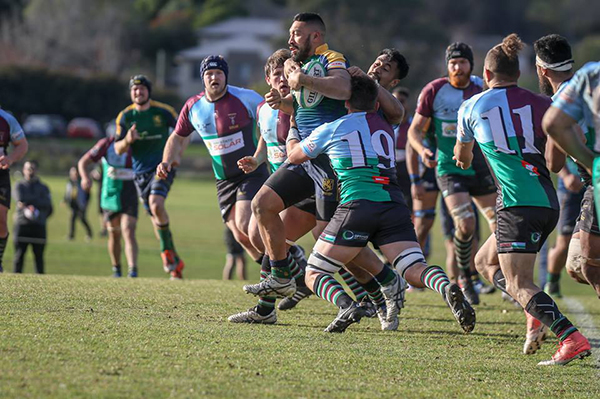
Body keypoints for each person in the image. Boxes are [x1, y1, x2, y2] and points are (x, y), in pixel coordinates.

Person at [244, 15, 406, 322]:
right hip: (306, 160)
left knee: (335, 239)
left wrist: (302, 80)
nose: (290, 39)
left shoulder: (333, 59)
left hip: (328, 163)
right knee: (262, 207)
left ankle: (384, 282)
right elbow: (309, 105)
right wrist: (287, 100)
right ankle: (280, 277)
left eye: (297, 34)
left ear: (315, 36)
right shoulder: (302, 64)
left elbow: (343, 90)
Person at [287, 74, 475, 333]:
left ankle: (345, 305)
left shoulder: (332, 128)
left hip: (357, 205)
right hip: (393, 204)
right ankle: (446, 286)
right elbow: (396, 112)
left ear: (346, 103)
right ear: (376, 104)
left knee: (314, 272)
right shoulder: (387, 125)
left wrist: (292, 128)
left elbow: (294, 156)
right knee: (413, 269)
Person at [456, 33, 591, 365]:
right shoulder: (544, 103)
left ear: (486, 75)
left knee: (519, 282)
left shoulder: (471, 106)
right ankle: (535, 310)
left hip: (516, 204)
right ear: (520, 73)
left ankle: (570, 338)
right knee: (484, 263)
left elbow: (462, 156)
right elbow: (562, 153)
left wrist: (466, 155)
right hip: (546, 202)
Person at [158, 56, 268, 280]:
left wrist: (263, 154)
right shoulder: (193, 107)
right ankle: (281, 268)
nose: (214, 77)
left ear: (226, 76)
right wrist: (166, 161)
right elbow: (176, 138)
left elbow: (271, 119)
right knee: (240, 236)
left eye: (219, 73)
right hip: (223, 180)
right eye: (209, 74)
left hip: (251, 173)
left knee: (244, 223)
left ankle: (281, 268)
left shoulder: (245, 97)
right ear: (203, 78)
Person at [408, 42, 497, 305]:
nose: (457, 67)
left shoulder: (483, 87)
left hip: (480, 166)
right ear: (447, 66)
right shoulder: (434, 91)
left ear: (471, 65)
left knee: (499, 225)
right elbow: (415, 130)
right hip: (449, 168)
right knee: (466, 224)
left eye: (462, 62)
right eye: (453, 62)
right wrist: (422, 149)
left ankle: (500, 276)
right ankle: (465, 278)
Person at [114, 75, 186, 279]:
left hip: (162, 167)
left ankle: (165, 253)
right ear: (131, 93)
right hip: (139, 175)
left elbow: (185, 130)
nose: (138, 92)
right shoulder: (125, 117)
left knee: (156, 205)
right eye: (134, 90)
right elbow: (117, 148)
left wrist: (177, 155)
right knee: (156, 218)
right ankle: (174, 262)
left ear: (148, 91)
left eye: (142, 89)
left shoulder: (163, 112)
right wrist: (128, 139)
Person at [533, 34, 584, 298]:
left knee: (579, 263)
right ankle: (552, 283)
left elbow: (553, 163)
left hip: (592, 180)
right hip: (586, 182)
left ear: (542, 69)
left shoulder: (559, 104)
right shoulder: (586, 87)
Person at [79, 134, 139, 277]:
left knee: (128, 229)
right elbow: (83, 162)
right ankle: (116, 269)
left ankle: (133, 271)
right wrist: (85, 178)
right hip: (110, 193)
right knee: (114, 233)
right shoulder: (106, 144)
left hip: (129, 191)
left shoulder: (137, 143)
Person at [0, 108, 28, 272]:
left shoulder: (7, 119)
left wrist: (10, 158)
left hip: (1, 174)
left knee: (1, 219)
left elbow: (23, 145)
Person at [13, 161, 52, 274]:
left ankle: (41, 281)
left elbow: (47, 205)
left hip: (39, 225)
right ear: (23, 170)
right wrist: (36, 202)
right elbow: (20, 199)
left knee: (39, 257)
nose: (30, 171)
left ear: (37, 170)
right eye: (28, 168)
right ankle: (16, 279)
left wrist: (29, 203)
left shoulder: (44, 187)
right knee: (19, 255)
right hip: (22, 225)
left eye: (33, 168)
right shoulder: (19, 185)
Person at [64, 166, 93, 241]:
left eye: (74, 172)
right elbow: (67, 192)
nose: (73, 174)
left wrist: (85, 204)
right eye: (72, 172)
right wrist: (65, 200)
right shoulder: (69, 182)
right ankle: (71, 235)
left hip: (81, 204)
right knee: (72, 219)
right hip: (73, 204)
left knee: (82, 218)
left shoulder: (82, 182)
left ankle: (89, 233)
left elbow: (88, 194)